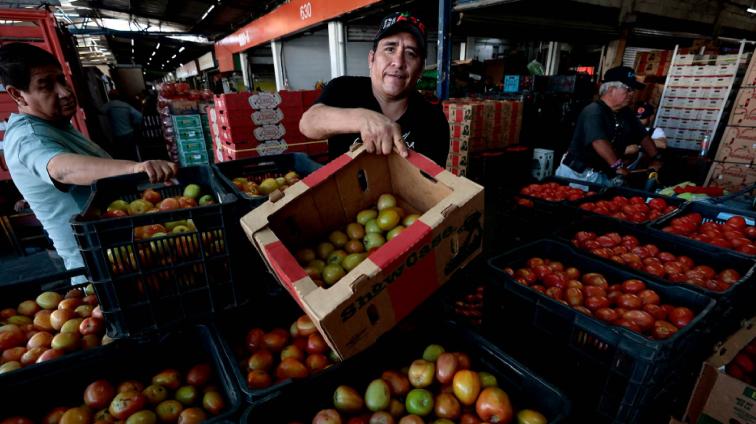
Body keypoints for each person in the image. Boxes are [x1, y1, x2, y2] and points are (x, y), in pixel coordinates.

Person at [0, 43, 177, 283]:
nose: (64, 92)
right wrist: (136, 168)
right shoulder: (27, 138)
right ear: (17, 94)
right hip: (99, 271)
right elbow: (60, 169)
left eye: (61, 80)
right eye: (46, 85)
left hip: (123, 256)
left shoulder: (55, 125)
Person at [299, 12, 450, 166]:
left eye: (410, 54)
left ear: (420, 70)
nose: (398, 62)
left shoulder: (433, 121)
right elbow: (308, 123)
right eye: (390, 49)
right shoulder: (343, 89)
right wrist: (362, 119)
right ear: (371, 59)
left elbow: (433, 179)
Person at [556, 66, 662, 186]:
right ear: (611, 90)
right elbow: (598, 141)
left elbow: (642, 135)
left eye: (633, 90)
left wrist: (656, 158)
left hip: (602, 174)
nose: (632, 94)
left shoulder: (626, 113)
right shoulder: (593, 111)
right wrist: (618, 167)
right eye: (628, 89)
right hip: (577, 175)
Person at [101, 89, 143, 161]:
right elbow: (139, 116)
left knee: (122, 156)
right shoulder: (125, 105)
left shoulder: (109, 105)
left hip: (118, 135)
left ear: (110, 96)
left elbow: (100, 111)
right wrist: (134, 123)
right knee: (133, 154)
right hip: (129, 133)